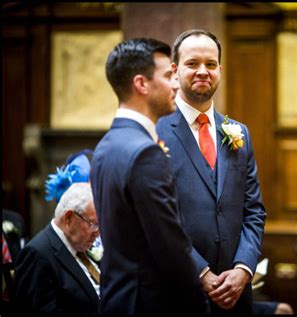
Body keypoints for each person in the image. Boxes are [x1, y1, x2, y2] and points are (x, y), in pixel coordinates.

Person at [90, 38, 209, 314]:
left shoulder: (107, 144)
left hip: (118, 299)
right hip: (149, 302)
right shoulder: (145, 152)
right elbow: (170, 247)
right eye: (169, 76)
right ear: (142, 84)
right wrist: (199, 305)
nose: (177, 85)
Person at [156, 29, 266, 314]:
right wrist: (201, 273)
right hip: (177, 293)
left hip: (236, 295)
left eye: (211, 64)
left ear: (220, 69)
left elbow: (253, 210)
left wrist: (243, 269)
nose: (203, 71)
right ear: (175, 71)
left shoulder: (238, 132)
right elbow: (155, 219)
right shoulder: (155, 131)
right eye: (192, 64)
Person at [14, 183, 100, 313]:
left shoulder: (78, 244)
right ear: (69, 218)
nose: (98, 233)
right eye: (93, 224)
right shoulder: (36, 255)